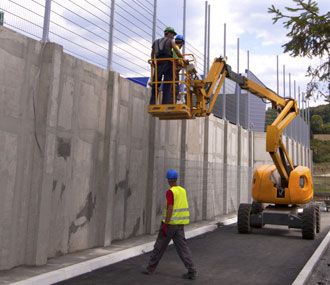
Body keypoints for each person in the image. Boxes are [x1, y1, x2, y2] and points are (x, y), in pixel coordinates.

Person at [143, 169, 198, 280]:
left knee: (159, 246)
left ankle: (150, 268)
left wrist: (165, 224)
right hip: (180, 225)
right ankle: (192, 270)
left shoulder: (170, 192)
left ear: (168, 180)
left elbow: (170, 208)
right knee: (183, 248)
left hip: (170, 224)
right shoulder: (182, 190)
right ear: (176, 179)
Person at [150, 27, 184, 105]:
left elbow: (152, 53)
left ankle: (152, 102)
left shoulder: (155, 42)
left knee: (155, 84)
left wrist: (153, 63)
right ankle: (165, 103)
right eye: (172, 34)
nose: (173, 37)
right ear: (168, 33)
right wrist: (182, 58)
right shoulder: (170, 41)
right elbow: (176, 50)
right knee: (168, 83)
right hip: (168, 63)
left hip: (158, 63)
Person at [172, 35, 185, 103]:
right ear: (182, 43)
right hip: (173, 70)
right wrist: (183, 62)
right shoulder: (176, 49)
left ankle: (176, 95)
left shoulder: (173, 48)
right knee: (175, 83)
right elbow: (175, 60)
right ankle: (176, 95)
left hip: (172, 70)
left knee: (174, 83)